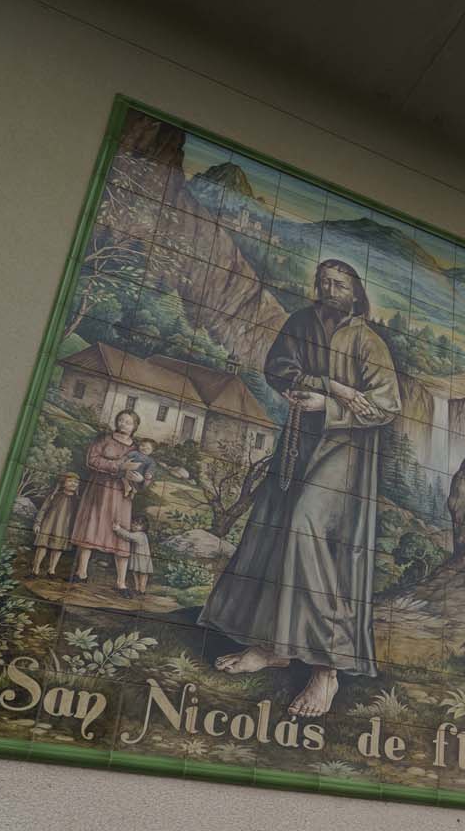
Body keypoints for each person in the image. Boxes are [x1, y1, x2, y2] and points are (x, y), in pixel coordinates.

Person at [199, 258, 401, 718]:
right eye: (323, 282)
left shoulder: (369, 342)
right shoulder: (301, 323)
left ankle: (326, 670)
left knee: (308, 527)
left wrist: (329, 404)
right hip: (298, 441)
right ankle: (274, 646)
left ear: (356, 292)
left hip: (345, 451)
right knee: (274, 526)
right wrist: (327, 384)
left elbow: (386, 406)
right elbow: (278, 368)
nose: (329, 289)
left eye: (339, 283)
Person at [70, 409, 146, 598]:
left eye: (128, 422)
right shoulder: (104, 439)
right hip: (99, 489)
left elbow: (145, 474)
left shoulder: (136, 450)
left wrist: (140, 478)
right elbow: (92, 460)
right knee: (91, 526)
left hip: (121, 494)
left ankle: (120, 582)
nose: (123, 424)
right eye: (121, 420)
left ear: (134, 427)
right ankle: (82, 573)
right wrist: (119, 467)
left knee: (119, 532)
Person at [31, 472, 80, 577]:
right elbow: (43, 509)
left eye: (76, 482)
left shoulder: (77, 500)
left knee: (58, 548)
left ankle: (51, 570)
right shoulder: (54, 496)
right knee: (42, 546)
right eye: (70, 481)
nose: (73, 484)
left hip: (64, 528)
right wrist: (38, 523)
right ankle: (35, 570)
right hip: (48, 524)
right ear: (63, 483)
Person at [112, 516, 154, 595]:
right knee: (135, 573)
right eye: (133, 523)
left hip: (142, 560)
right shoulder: (137, 534)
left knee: (143, 574)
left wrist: (119, 529)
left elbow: (128, 536)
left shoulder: (140, 535)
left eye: (138, 524)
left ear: (144, 527)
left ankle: (142, 590)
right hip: (137, 558)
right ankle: (137, 589)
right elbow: (127, 538)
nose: (134, 526)